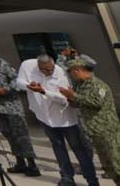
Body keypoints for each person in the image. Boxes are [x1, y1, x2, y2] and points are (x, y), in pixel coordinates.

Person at [19, 55, 99, 186]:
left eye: (49, 69)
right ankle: (67, 177)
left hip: (66, 120)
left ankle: (91, 179)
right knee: (58, 148)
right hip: (45, 118)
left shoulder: (61, 73)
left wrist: (44, 91)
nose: (47, 72)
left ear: (53, 64)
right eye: (43, 70)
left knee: (79, 148)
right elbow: (19, 82)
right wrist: (29, 85)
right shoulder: (28, 65)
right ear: (38, 67)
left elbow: (63, 99)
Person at [60, 59, 120, 186]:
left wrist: (73, 95)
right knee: (109, 168)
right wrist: (70, 98)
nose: (71, 75)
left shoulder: (97, 85)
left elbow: (96, 102)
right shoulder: (82, 85)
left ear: (77, 70)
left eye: (71, 72)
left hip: (110, 133)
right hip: (96, 134)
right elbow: (81, 103)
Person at [0, 41, 40, 176]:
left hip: (11, 106)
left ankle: (32, 164)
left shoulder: (2, 64)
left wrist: (6, 89)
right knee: (9, 135)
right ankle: (20, 162)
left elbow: (16, 80)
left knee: (21, 135)